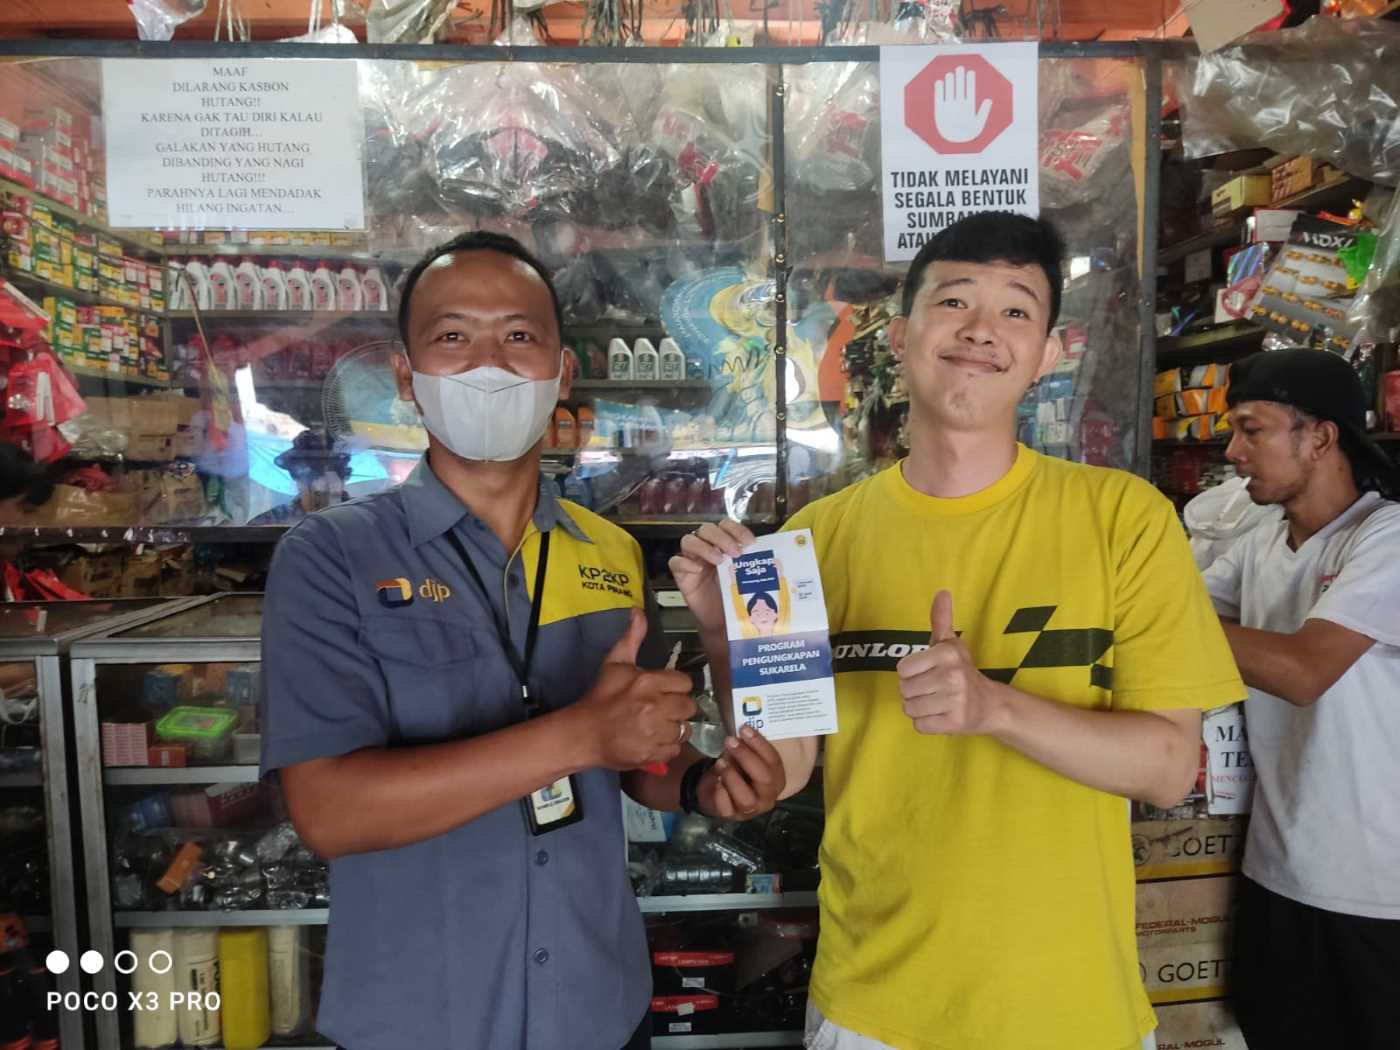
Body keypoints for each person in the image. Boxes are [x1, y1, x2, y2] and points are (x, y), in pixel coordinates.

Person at [671, 212, 1245, 1050]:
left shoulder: (1124, 519)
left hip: (1069, 1009)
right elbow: (784, 766)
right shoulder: (817, 539)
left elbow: (1163, 769)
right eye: (953, 302)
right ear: (899, 337)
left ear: (1048, 355)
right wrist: (729, 639)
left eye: (1015, 309)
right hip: (870, 1007)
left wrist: (993, 709)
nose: (980, 329)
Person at [259, 231, 787, 1050]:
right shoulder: (332, 557)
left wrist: (699, 785)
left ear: (561, 374)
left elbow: (635, 751)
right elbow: (329, 812)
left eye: (518, 335)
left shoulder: (608, 551)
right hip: (423, 1018)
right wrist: (580, 734)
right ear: (406, 376)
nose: (488, 365)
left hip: (596, 1003)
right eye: (452, 336)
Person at [1199, 348, 1400, 1049]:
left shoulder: (1386, 539)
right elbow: (1174, 610)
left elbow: (1305, 670)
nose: (1233, 452)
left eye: (1252, 430)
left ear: (1319, 437)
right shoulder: (1261, 545)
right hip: (1276, 872)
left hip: (1373, 892)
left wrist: (1164, 621)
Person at [247, 429, 352, 525]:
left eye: (336, 468)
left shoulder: (358, 517)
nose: (327, 483)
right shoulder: (269, 524)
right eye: (316, 473)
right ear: (298, 479)